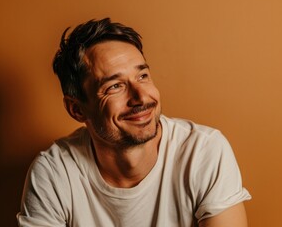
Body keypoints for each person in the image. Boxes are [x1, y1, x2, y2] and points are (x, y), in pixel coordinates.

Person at [17, 18, 251, 227]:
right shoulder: (54, 173)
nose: (141, 97)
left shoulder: (203, 151)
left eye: (142, 76)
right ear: (77, 109)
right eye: (115, 86)